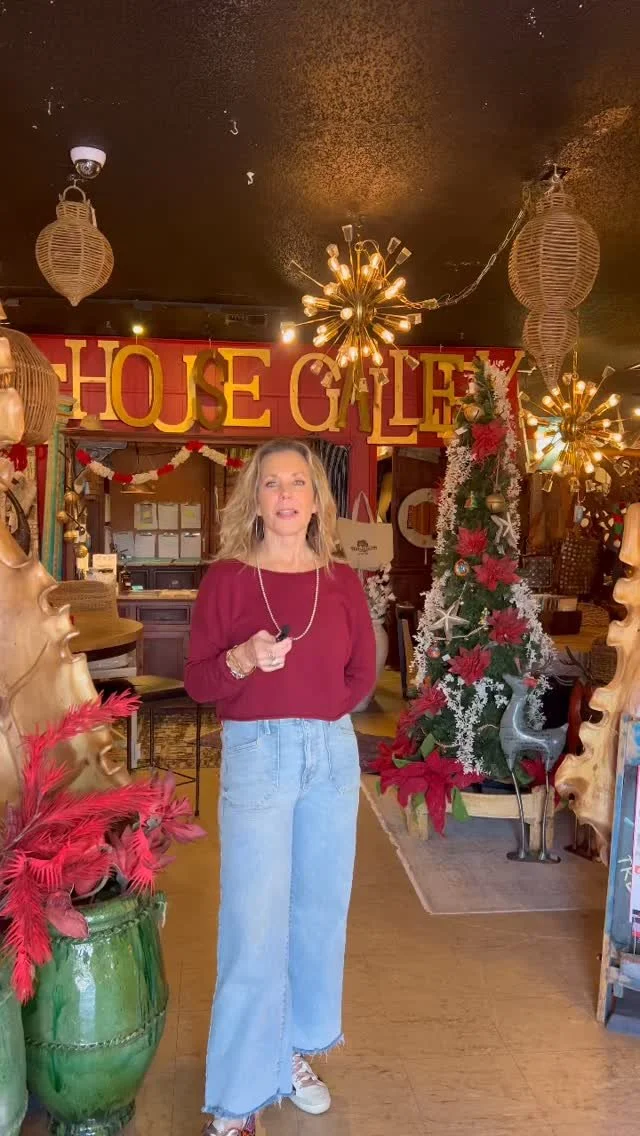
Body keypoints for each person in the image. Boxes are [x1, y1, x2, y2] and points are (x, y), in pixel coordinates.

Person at [185, 438, 376, 1136]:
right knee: (253, 924)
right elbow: (198, 680)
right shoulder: (229, 580)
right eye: (272, 483)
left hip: (330, 754)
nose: (287, 494)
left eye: (300, 482)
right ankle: (239, 1098)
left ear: (317, 500)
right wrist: (242, 659)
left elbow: (361, 675)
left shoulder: (343, 581)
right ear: (255, 500)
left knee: (318, 912)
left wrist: (318, 714)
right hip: (258, 753)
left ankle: (289, 1051)